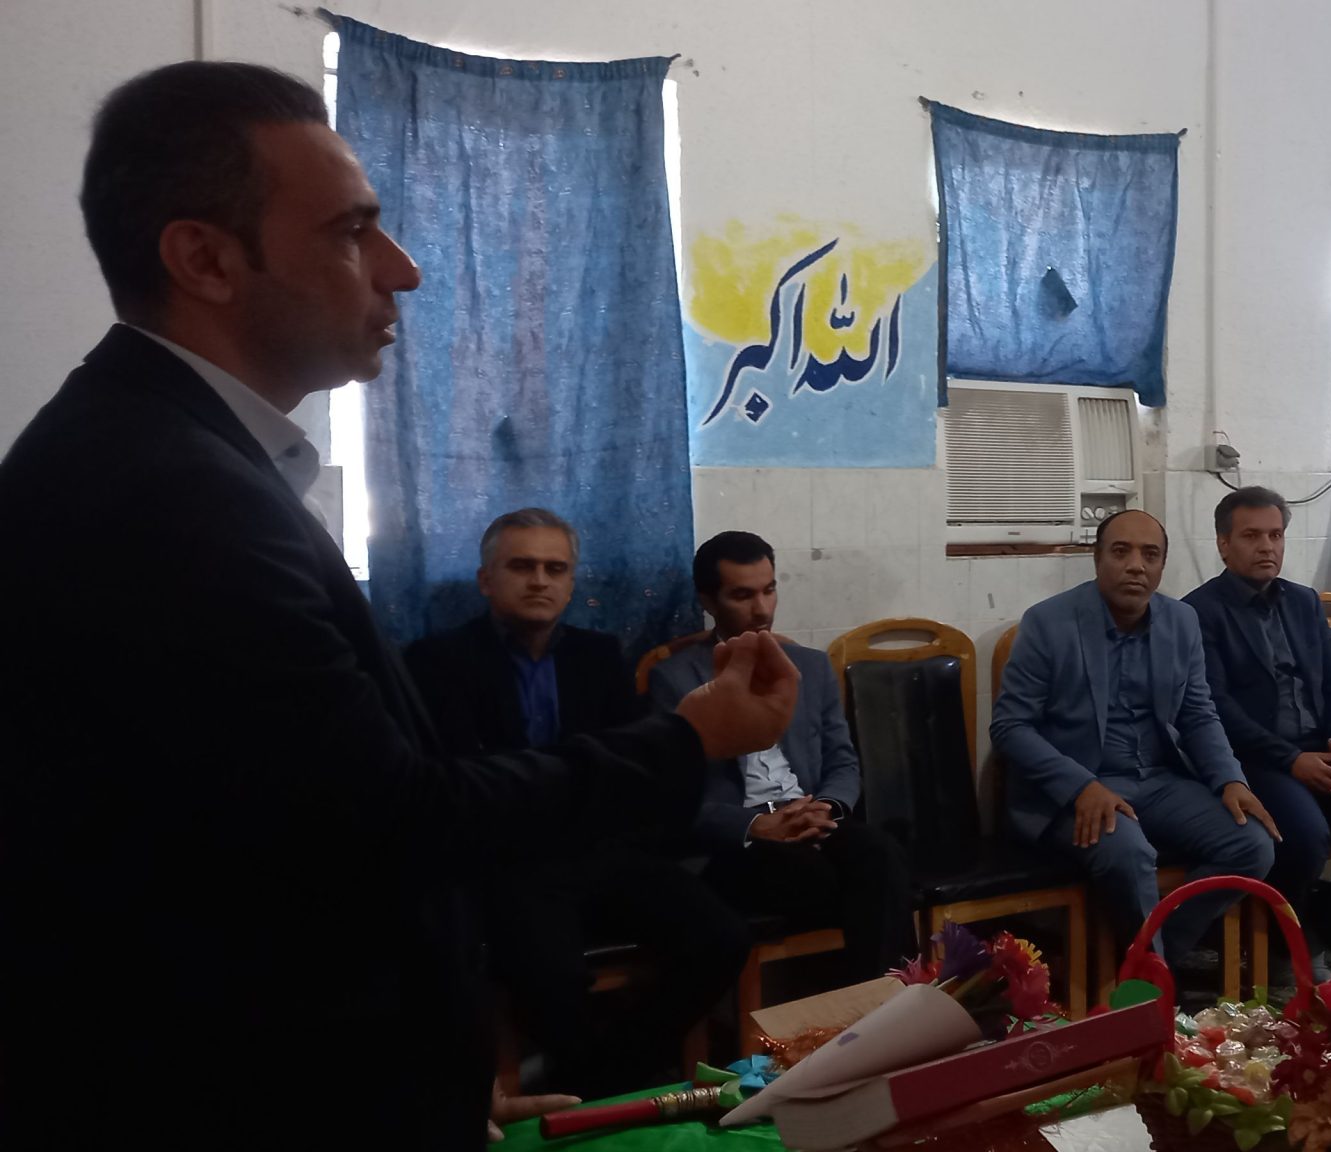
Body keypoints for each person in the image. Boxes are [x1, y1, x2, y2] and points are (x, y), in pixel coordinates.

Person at [0, 62, 799, 1149]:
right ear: (205, 258)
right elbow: (393, 822)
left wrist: (422, 1078)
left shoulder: (184, 457)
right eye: (351, 231)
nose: (405, 270)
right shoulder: (161, 491)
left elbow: (277, 840)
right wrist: (689, 737)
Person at [406, 510, 747, 1098]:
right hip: (509, 862)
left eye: (555, 568)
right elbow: (462, 783)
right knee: (550, 977)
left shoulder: (598, 656)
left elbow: (632, 767)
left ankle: (598, 1080)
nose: (540, 580)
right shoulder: (437, 663)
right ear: (486, 579)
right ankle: (601, 1084)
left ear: (570, 583)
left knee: (723, 938)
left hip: (598, 850)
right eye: (522, 566)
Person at [993, 509, 1278, 961]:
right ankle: (1152, 980)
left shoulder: (1181, 621)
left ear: (1162, 565)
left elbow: (1198, 713)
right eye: (1121, 552)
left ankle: (1158, 956)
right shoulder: (1049, 623)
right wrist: (1081, 786)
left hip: (1157, 781)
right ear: (1098, 559)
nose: (1135, 566)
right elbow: (1010, 727)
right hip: (1076, 791)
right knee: (1128, 852)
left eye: (1150, 555)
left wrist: (1231, 780)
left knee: (1251, 844)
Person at [1182, 487, 1331, 979]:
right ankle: (1285, 946)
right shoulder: (1198, 613)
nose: (1266, 547)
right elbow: (1217, 709)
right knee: (1305, 836)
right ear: (1224, 544)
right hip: (1256, 761)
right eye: (1251, 536)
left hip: (1323, 749)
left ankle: (1312, 934)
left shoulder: (1303, 602)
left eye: (1275, 535)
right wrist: (1291, 761)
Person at [648, 532, 915, 979]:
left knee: (882, 854)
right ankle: (867, 1000)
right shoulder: (674, 679)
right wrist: (754, 825)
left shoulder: (808, 666)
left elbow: (843, 760)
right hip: (740, 837)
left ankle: (892, 1000)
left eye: (769, 590)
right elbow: (671, 797)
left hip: (810, 814)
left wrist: (825, 807)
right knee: (824, 877)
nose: (762, 609)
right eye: (742, 595)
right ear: (708, 601)